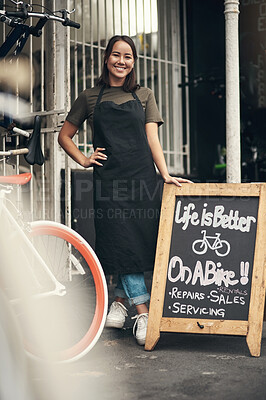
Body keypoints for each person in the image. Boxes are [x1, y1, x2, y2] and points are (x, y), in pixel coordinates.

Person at [58, 35, 191, 346]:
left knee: (133, 242)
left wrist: (165, 174)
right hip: (109, 181)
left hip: (141, 178)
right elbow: (65, 136)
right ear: (107, 59)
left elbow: (152, 140)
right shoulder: (90, 97)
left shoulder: (144, 95)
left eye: (128, 56)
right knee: (121, 239)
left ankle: (118, 303)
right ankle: (142, 311)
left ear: (134, 62)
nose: (121, 61)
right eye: (116, 55)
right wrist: (85, 159)